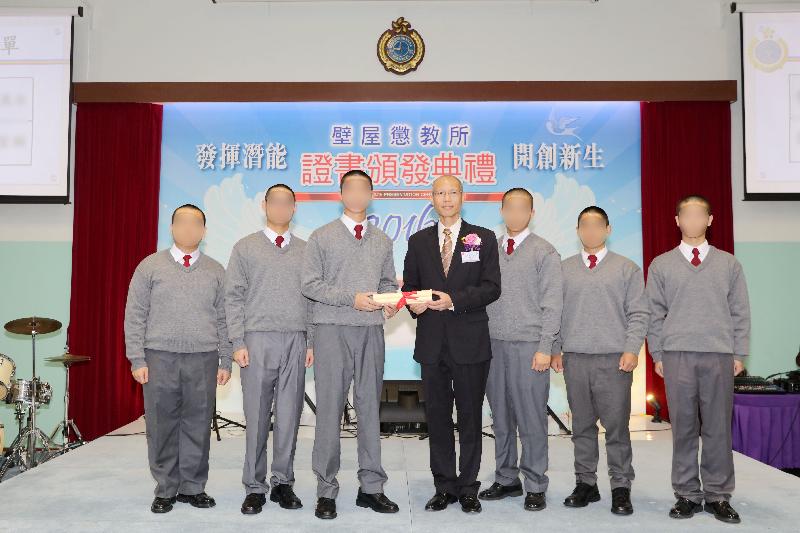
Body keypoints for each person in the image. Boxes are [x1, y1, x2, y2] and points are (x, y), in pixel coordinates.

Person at [301, 169, 401, 520]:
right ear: (341, 194)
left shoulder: (382, 240)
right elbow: (310, 284)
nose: (357, 194)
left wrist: (390, 300)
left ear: (371, 194)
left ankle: (371, 487)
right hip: (331, 330)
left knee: (370, 407)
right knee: (329, 410)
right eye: (351, 188)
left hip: (371, 331)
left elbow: (388, 282)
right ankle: (326, 490)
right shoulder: (321, 237)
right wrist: (351, 298)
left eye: (364, 188)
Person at [646, 195, 750, 524]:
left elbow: (740, 312)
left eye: (699, 215)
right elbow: (653, 314)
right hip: (677, 356)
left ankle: (718, 494)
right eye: (686, 215)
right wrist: (658, 353)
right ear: (677, 221)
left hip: (719, 355)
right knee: (685, 428)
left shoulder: (729, 264)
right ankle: (687, 494)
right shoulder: (661, 264)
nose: (692, 221)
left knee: (718, 427)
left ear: (710, 220)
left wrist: (739, 351)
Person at [401, 174, 501, 514]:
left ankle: (469, 487)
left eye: (452, 192)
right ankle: (443, 485)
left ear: (462, 197)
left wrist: (453, 300)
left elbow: (491, 287)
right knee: (438, 417)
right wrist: (412, 303)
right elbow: (410, 288)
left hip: (470, 342)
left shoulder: (482, 238)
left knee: (471, 417)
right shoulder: (418, 241)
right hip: (431, 343)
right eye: (440, 193)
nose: (446, 198)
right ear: (432, 198)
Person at [124, 204, 232, 514]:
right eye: (182, 223)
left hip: (204, 357)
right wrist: (137, 359)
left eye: (195, 224)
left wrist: (225, 359)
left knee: (198, 424)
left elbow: (225, 319)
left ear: (204, 231)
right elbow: (135, 315)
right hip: (159, 358)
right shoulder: (150, 267)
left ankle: (193, 487)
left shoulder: (215, 270)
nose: (188, 229)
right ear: (172, 228)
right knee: (161, 424)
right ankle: (166, 488)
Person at [550, 205, 648, 516]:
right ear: (578, 231)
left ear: (608, 229)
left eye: (596, 226)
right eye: (584, 226)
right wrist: (555, 348)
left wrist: (632, 348)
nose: (590, 231)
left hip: (614, 359)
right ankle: (586, 484)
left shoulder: (626, 268)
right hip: (576, 358)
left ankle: (621, 486)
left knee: (616, 427)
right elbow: (554, 313)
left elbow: (638, 313)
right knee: (581, 426)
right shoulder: (564, 269)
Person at [224, 184, 314, 515]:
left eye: (286, 203)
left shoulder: (307, 250)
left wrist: (312, 340)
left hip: (295, 339)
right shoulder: (245, 248)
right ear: (265, 206)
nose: (279, 207)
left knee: (290, 415)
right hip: (257, 339)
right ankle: (254, 486)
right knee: (258, 416)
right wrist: (238, 341)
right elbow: (232, 296)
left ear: (294, 208)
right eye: (274, 202)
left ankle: (283, 483)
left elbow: (314, 299)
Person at [479, 187, 562, 512]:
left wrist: (546, 347)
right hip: (492, 346)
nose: (515, 214)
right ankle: (506, 478)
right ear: (502, 211)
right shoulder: (490, 250)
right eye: (509, 208)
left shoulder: (545, 252)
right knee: (500, 417)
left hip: (530, 347)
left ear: (531, 213)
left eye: (521, 209)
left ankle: (536, 483)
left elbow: (553, 304)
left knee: (531, 419)